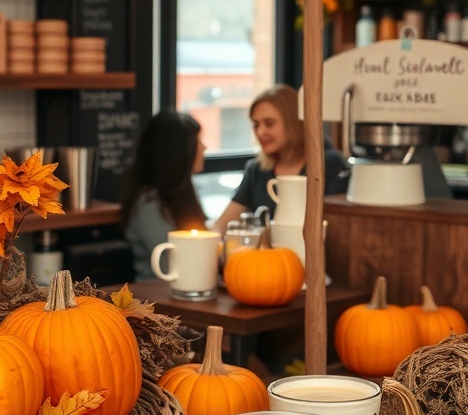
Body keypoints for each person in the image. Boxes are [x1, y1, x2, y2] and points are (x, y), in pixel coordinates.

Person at [211, 84, 348, 235]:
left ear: (294, 123)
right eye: (256, 125)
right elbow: (221, 225)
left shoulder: (329, 164)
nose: (260, 132)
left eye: (269, 123)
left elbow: (336, 228)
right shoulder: (257, 169)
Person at [120, 110, 207, 279]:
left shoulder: (182, 193)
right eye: (198, 141)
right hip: (157, 292)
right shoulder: (148, 204)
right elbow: (171, 264)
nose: (204, 147)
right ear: (176, 151)